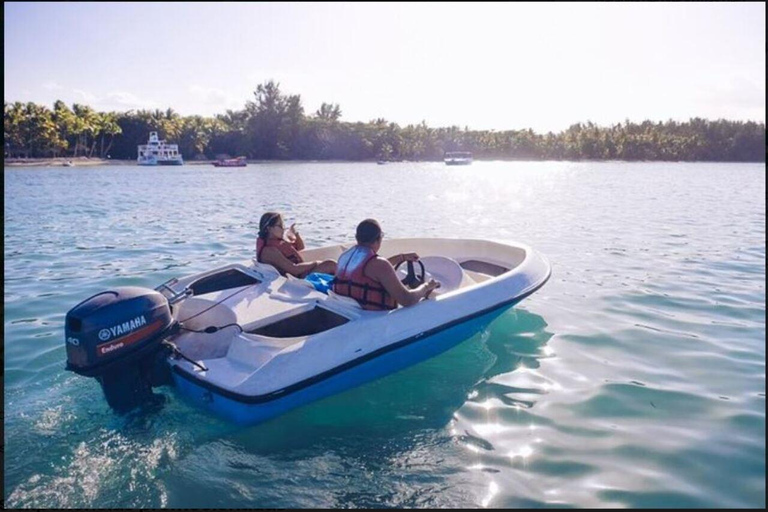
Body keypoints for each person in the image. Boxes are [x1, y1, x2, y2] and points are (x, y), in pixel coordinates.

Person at [333, 219, 439, 310]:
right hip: (376, 320)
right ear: (378, 239)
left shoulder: (345, 257)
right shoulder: (379, 265)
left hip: (350, 313)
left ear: (357, 238)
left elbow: (372, 269)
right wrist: (426, 286)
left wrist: (401, 257)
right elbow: (407, 299)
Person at [256, 212, 337, 278]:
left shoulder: (279, 242)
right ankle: (344, 287)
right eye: (280, 226)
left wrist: (295, 234)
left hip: (300, 274)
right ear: (268, 228)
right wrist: (315, 263)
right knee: (330, 264)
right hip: (296, 280)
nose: (283, 228)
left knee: (332, 265)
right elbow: (294, 269)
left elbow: (300, 247)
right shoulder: (269, 251)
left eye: (283, 225)